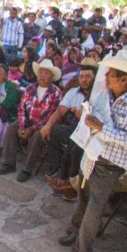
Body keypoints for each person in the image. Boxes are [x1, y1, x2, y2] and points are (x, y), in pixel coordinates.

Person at [58, 50, 127, 252]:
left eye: (111, 74)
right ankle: (75, 230)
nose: (105, 77)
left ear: (124, 79)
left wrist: (101, 128)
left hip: (110, 162)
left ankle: (81, 251)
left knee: (95, 206)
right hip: (92, 153)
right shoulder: (105, 93)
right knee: (83, 196)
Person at [0, 59, 63, 181]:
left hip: (43, 125)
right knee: (12, 128)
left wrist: (32, 129)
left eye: (46, 73)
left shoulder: (56, 92)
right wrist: (22, 125)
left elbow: (51, 115)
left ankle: (27, 169)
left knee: (37, 135)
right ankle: (8, 163)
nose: (42, 75)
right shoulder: (30, 88)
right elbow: (21, 108)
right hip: (27, 121)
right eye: (40, 72)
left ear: (52, 76)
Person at [41, 64, 97, 201]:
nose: (84, 80)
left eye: (88, 77)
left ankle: (66, 180)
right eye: (81, 77)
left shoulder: (99, 95)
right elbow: (60, 111)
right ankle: (58, 167)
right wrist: (48, 125)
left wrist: (83, 116)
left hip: (92, 136)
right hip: (75, 131)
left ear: (94, 78)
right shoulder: (73, 92)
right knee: (53, 130)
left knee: (75, 143)